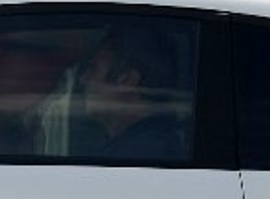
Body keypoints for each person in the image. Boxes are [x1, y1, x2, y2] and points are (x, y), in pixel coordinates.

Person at [35, 26, 190, 160]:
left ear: (127, 80)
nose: (83, 79)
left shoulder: (137, 156)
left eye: (94, 69)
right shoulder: (153, 146)